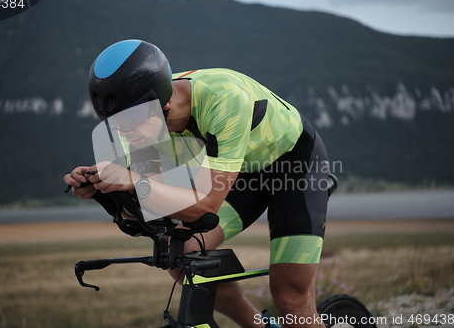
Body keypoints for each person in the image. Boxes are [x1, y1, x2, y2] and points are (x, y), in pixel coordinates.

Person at [63, 39, 330, 328]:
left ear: (163, 102)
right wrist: (108, 193)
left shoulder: (224, 99)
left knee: (290, 298)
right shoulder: (137, 127)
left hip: (294, 166)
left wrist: (133, 180)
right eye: (115, 124)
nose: (127, 134)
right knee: (182, 255)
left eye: (133, 121)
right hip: (238, 173)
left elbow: (205, 208)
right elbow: (148, 212)